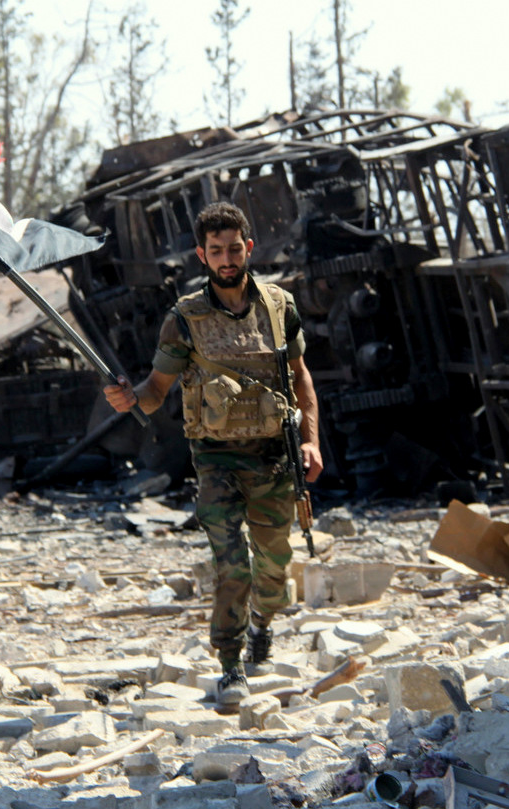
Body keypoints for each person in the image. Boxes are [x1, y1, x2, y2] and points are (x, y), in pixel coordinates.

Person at [104, 201, 323, 707]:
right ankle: (230, 663)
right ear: (202, 255)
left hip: (273, 457)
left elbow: (302, 377)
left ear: (248, 248)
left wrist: (310, 439)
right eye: (216, 251)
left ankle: (263, 623)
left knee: (273, 568)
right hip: (217, 461)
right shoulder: (185, 319)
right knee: (232, 567)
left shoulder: (278, 306)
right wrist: (130, 398)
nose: (227, 258)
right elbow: (157, 389)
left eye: (234, 248)